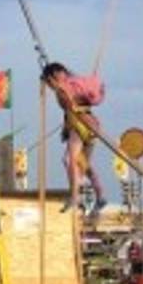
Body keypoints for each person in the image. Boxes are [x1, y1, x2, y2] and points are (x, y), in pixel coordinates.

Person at [42, 61, 107, 214]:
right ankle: (100, 194)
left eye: (48, 82)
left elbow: (70, 106)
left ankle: (75, 196)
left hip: (79, 125)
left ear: (52, 78)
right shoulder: (74, 83)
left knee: (70, 160)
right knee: (83, 163)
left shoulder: (62, 88)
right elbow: (72, 107)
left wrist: (56, 86)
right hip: (91, 125)